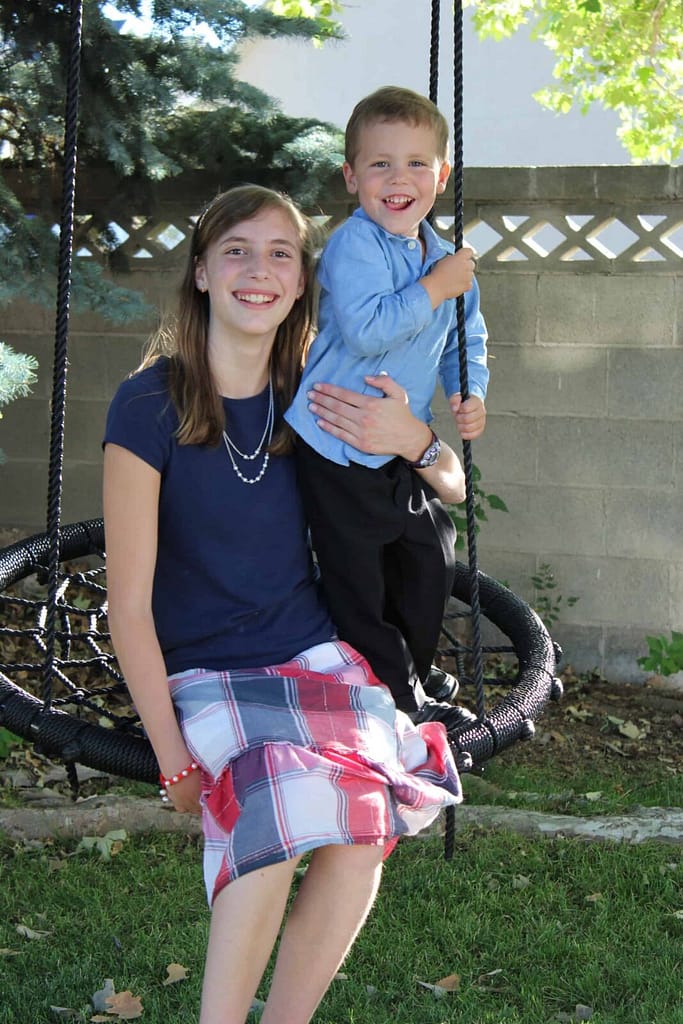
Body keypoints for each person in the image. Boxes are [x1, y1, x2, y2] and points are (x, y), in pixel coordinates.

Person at [102, 184, 464, 1024]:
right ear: (200, 272)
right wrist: (171, 758)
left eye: (280, 255)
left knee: (366, 819)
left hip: (312, 655)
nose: (258, 270)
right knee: (273, 805)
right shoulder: (150, 403)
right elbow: (127, 603)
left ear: (304, 282)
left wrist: (413, 439)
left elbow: (448, 488)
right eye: (236, 250)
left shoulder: (318, 385)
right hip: (204, 668)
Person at [285, 85, 489, 729]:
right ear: (352, 177)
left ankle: (412, 675)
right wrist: (435, 286)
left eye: (417, 163)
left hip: (398, 439)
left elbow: (467, 334)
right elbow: (370, 327)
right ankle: (397, 698)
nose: (399, 179)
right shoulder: (355, 244)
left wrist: (469, 388)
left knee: (430, 559)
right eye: (380, 164)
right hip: (334, 441)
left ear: (442, 175)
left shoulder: (447, 260)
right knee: (359, 583)